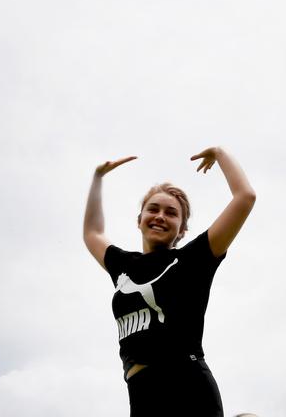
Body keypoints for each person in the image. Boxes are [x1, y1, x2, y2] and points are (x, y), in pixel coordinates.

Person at [83, 146, 256, 417]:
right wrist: (97, 178)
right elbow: (92, 232)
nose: (161, 216)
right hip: (141, 395)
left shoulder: (193, 260)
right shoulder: (123, 266)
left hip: (189, 388)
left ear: (182, 229)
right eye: (153, 209)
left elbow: (245, 197)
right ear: (140, 220)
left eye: (171, 213)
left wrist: (220, 153)